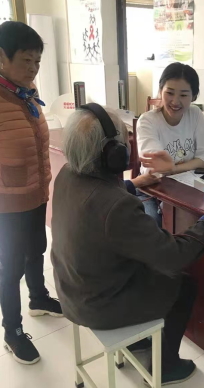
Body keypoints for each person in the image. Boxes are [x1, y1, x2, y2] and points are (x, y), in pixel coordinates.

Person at [51, 104, 204, 385]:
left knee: (151, 271)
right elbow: (173, 255)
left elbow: (96, 201)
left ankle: (138, 342)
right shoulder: (117, 208)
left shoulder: (67, 174)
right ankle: (167, 366)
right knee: (183, 284)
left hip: (72, 291)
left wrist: (134, 183)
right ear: (114, 155)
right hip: (100, 306)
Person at [0, 21, 63, 365]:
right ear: (2, 58)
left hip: (36, 192)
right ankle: (12, 331)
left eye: (38, 60)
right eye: (27, 60)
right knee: (9, 269)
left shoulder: (26, 93)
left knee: (37, 248)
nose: (34, 67)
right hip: (7, 201)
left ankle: (38, 297)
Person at [137, 62, 204, 225]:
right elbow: (155, 172)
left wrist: (174, 168)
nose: (175, 101)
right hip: (153, 192)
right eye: (170, 93)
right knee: (153, 227)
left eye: (183, 95)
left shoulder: (195, 114)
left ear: (194, 96)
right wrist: (178, 166)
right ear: (161, 91)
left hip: (188, 190)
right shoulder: (148, 121)